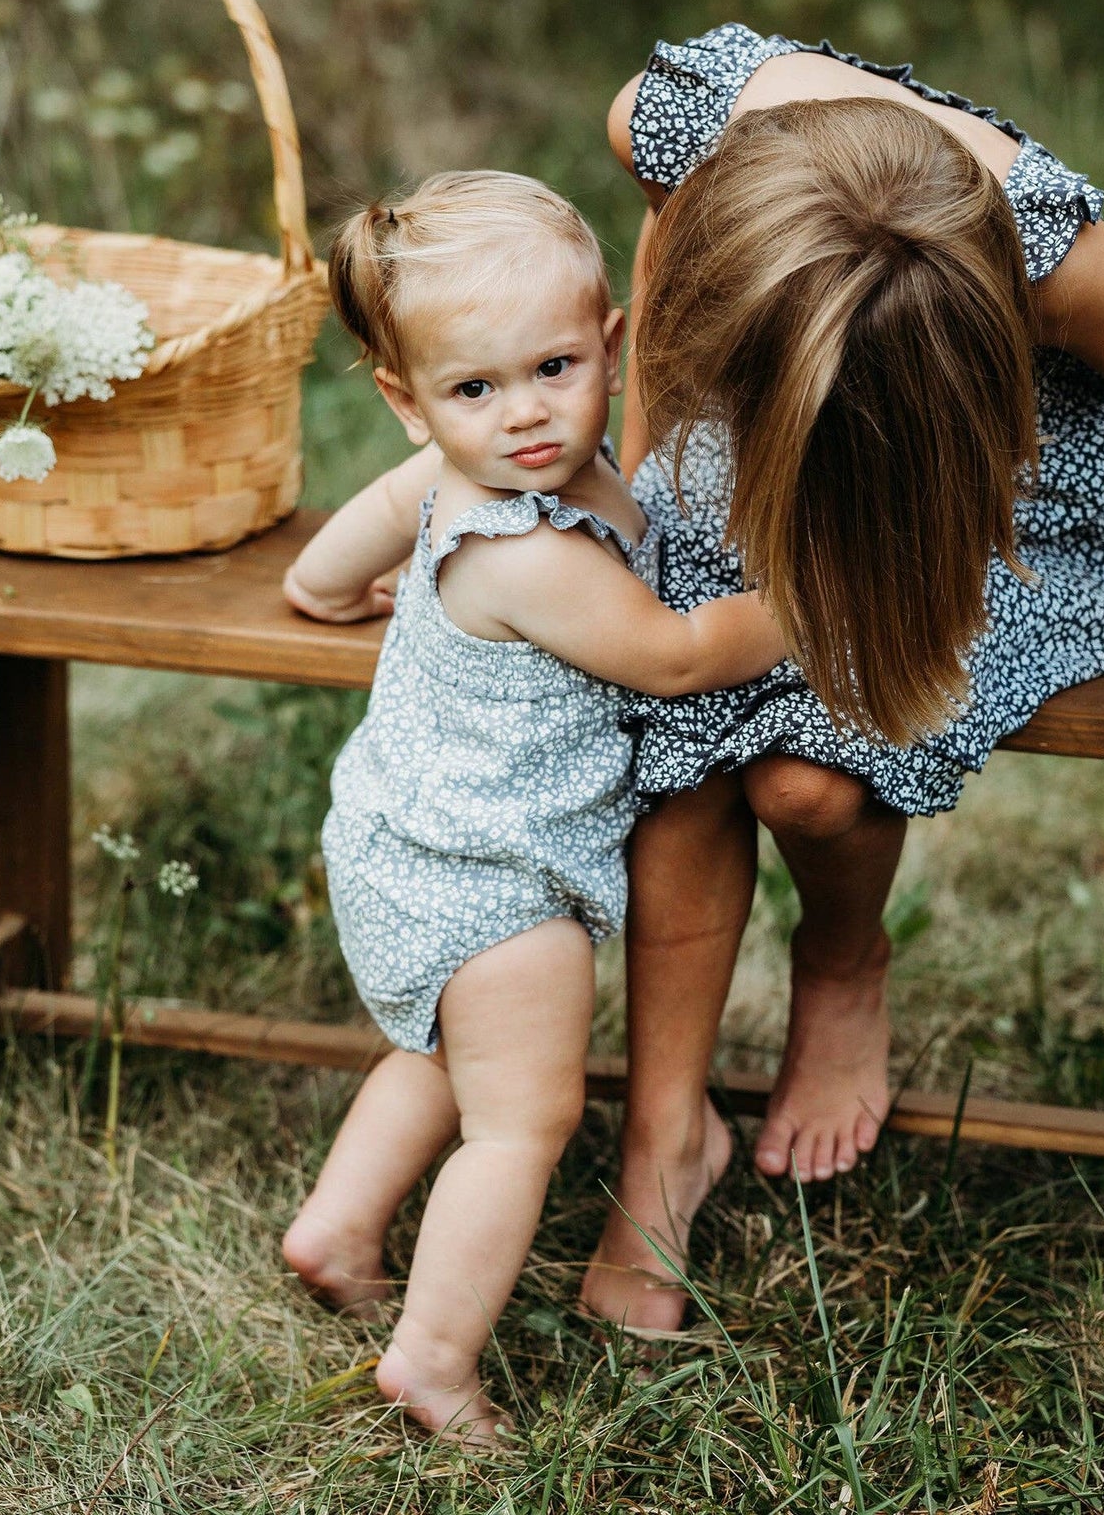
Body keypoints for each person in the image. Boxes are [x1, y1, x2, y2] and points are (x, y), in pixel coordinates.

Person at [580, 26, 1104, 1333]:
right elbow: (669, 253)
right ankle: (667, 1138)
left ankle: (842, 957)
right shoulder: (666, 116)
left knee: (806, 781)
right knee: (677, 696)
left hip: (1003, 489)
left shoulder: (1046, 252)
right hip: (761, 422)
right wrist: (638, 513)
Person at [279, 170, 782, 1439]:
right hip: (496, 884)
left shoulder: (447, 481)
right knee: (521, 1122)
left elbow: (335, 554)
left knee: (444, 1056)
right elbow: (671, 655)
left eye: (553, 366)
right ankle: (433, 1360)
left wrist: (330, 590)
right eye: (473, 390)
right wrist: (809, 610)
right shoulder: (529, 548)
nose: (523, 415)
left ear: (609, 343)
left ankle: (337, 1228)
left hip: (400, 839)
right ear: (406, 402)